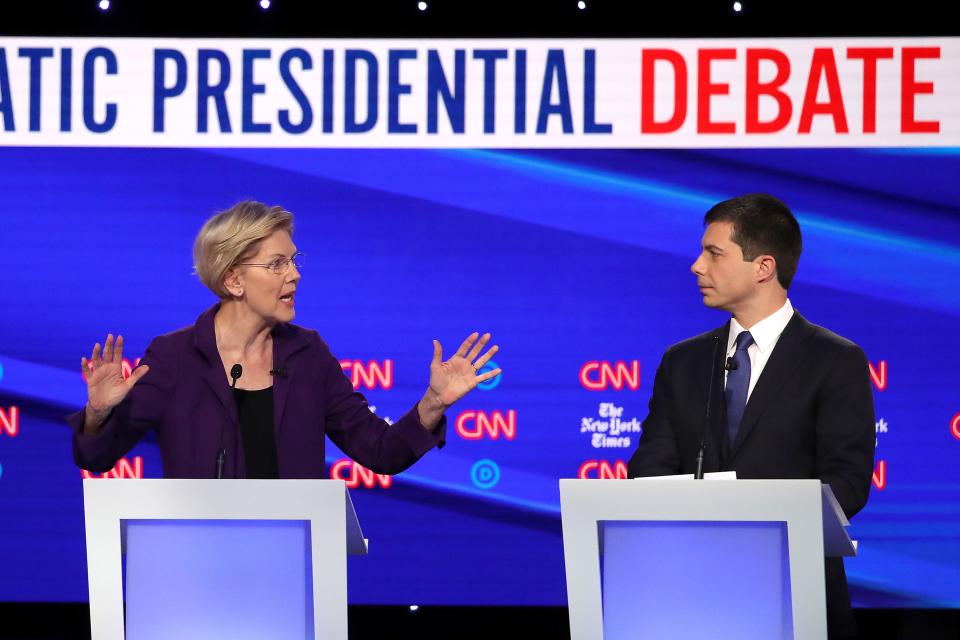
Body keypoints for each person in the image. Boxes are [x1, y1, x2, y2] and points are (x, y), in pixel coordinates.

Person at [69, 200, 501, 479]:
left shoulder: (307, 354)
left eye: (293, 261)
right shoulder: (175, 357)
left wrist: (433, 404)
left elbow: (380, 451)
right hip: (194, 564)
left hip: (293, 566)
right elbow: (96, 457)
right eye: (277, 264)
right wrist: (97, 414)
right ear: (234, 279)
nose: (294, 274)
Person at [627, 193, 875, 638]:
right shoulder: (683, 361)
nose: (696, 266)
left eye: (713, 253)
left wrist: (753, 528)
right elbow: (650, 469)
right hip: (687, 597)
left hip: (795, 597)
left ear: (763, 267)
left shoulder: (835, 360)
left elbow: (847, 484)